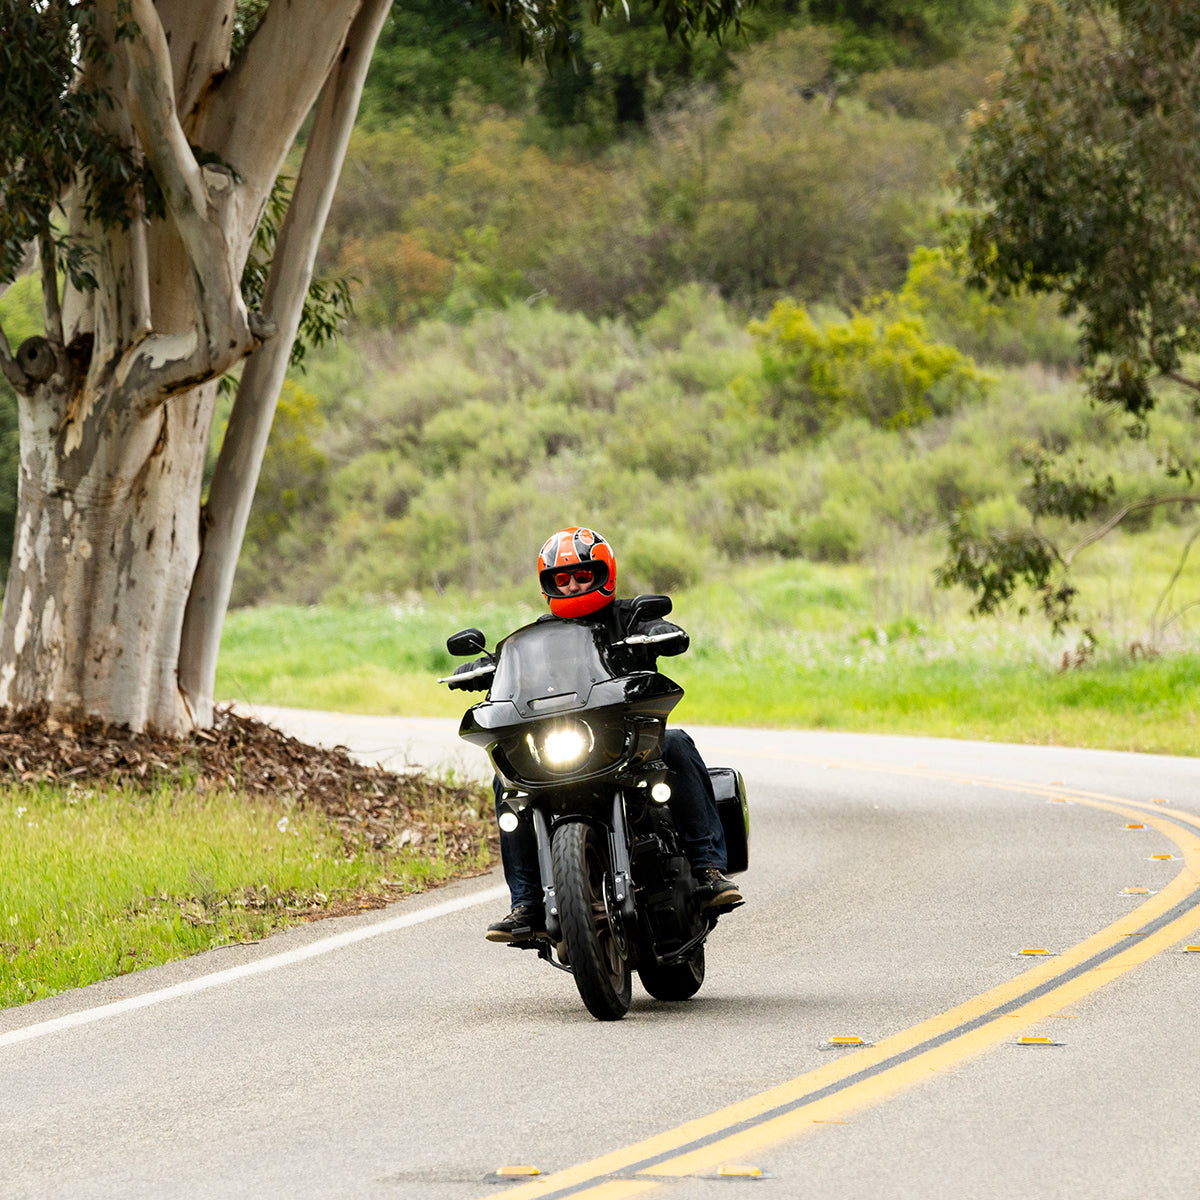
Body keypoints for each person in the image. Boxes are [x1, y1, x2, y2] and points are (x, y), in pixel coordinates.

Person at [449, 526, 743, 943]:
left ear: (605, 574)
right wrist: (485, 669)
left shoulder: (631, 617)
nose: (573, 585)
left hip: (628, 742)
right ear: (549, 586)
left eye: (583, 575)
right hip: (561, 745)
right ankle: (527, 903)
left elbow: (666, 631)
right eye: (562, 579)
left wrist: (660, 633)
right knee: (507, 784)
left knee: (677, 743)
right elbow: (512, 672)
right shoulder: (540, 637)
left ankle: (708, 869)